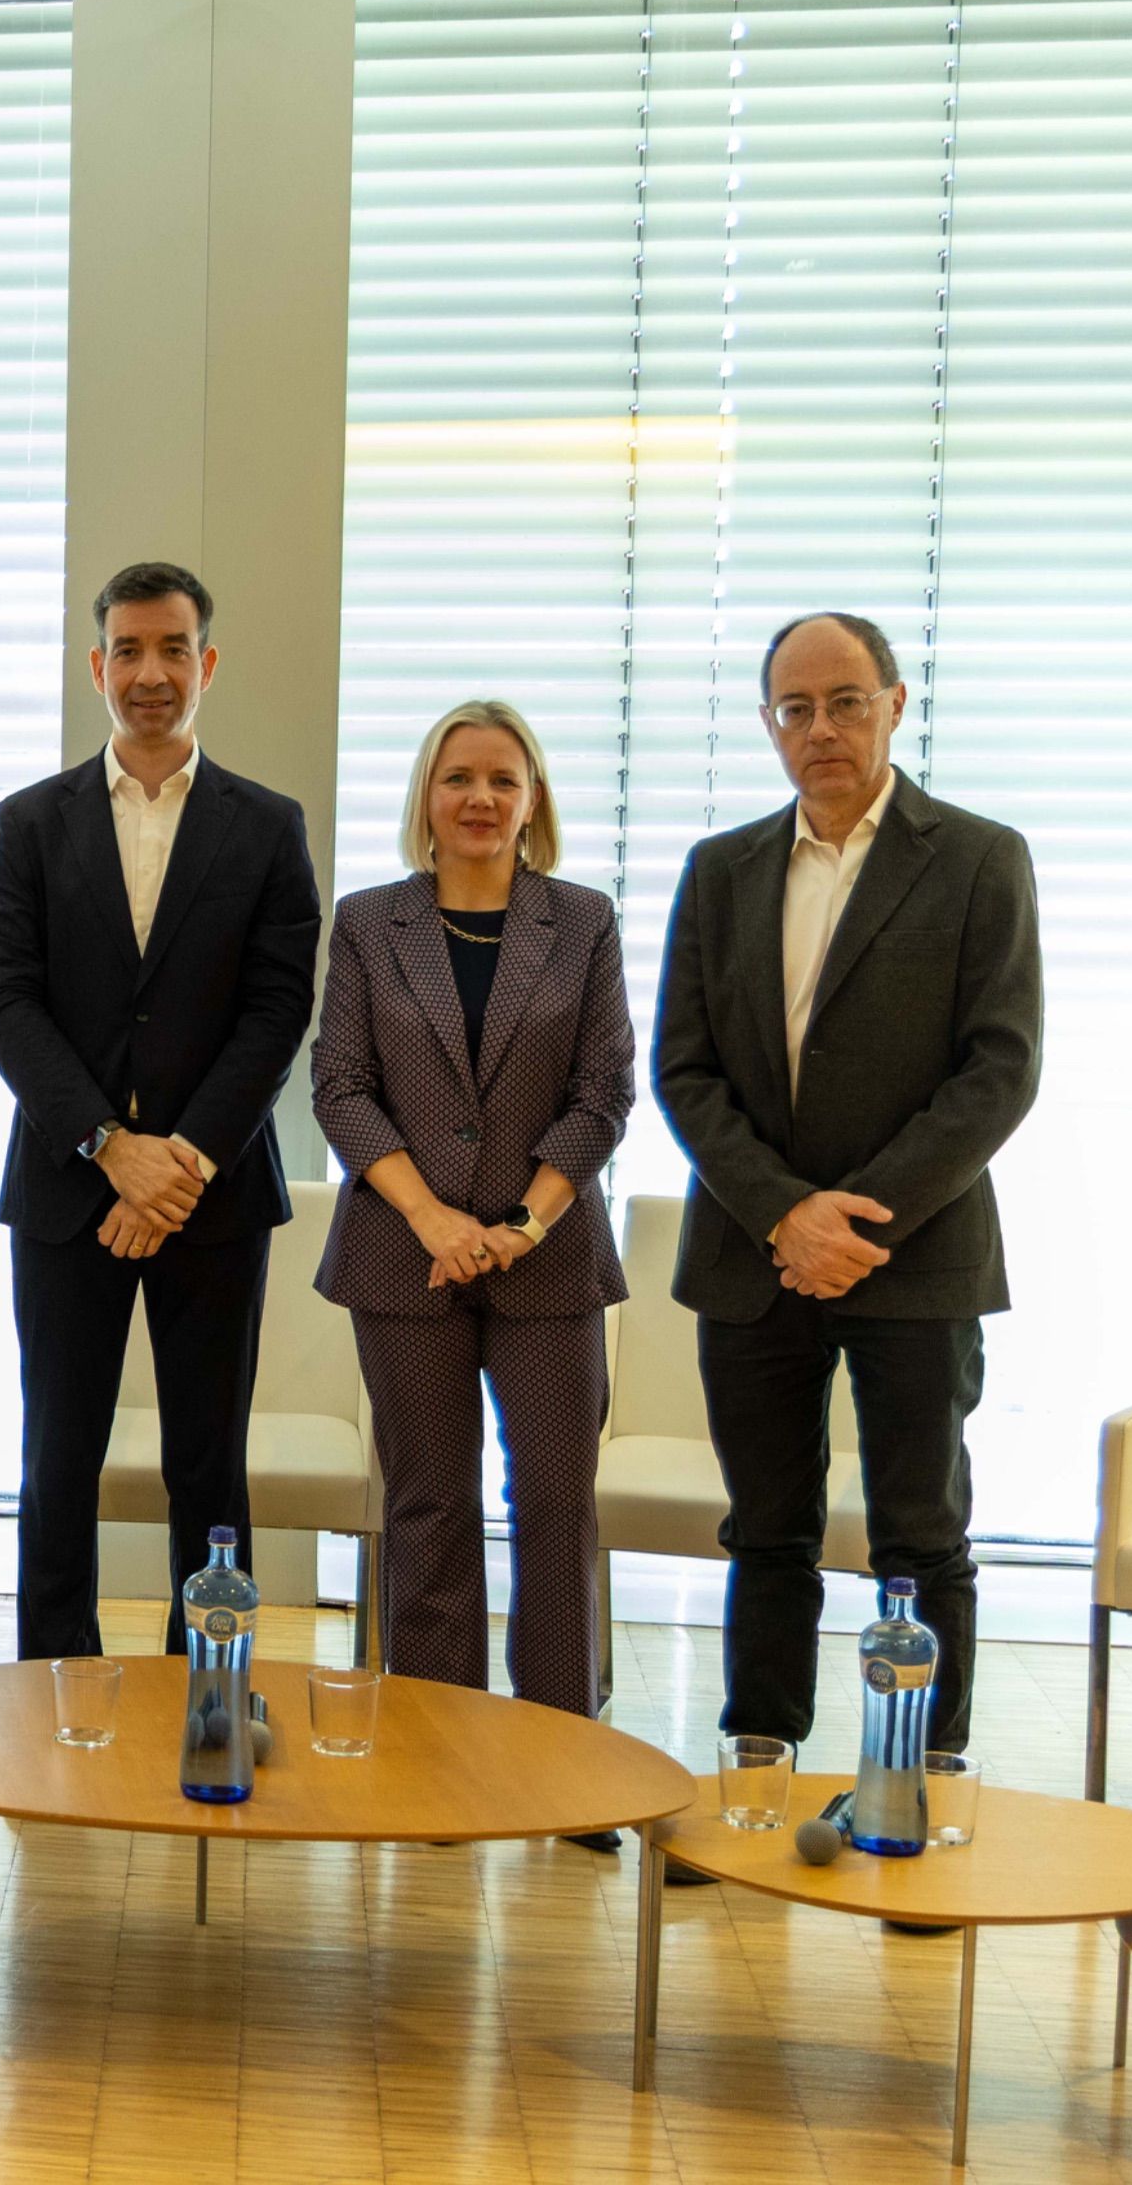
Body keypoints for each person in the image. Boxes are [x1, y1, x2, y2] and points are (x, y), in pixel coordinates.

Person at [654, 609, 1041, 1766]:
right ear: (769, 723)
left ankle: (923, 1773)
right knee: (766, 1528)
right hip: (751, 1255)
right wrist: (783, 1210)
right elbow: (685, 1067)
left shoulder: (978, 857)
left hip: (914, 1259)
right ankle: (761, 1759)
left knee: (919, 1536)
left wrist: (853, 1220)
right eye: (796, 708)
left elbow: (1001, 1067)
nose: (821, 728)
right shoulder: (720, 870)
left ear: (895, 706)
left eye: (846, 702)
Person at [0, 559, 320, 1659]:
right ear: (96, 667)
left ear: (206, 663)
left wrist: (180, 1167)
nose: (151, 672)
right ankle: (51, 1679)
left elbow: (276, 1013)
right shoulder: (29, 821)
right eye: (129, 649)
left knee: (207, 1459)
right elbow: (4, 997)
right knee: (56, 1453)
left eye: (173, 649)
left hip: (211, 1198)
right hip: (69, 1187)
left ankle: (210, 1680)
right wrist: (111, 1148)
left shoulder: (267, 826)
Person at [310, 700, 632, 1729]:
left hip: (548, 1261)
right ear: (426, 798)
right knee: (429, 1509)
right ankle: (440, 1752)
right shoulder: (369, 921)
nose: (481, 798)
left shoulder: (583, 922)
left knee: (553, 1506)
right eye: (460, 778)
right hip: (406, 1260)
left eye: (504, 778)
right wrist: (434, 1221)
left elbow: (604, 1093)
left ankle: (559, 1754)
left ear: (534, 798)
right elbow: (342, 1088)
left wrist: (522, 1225)